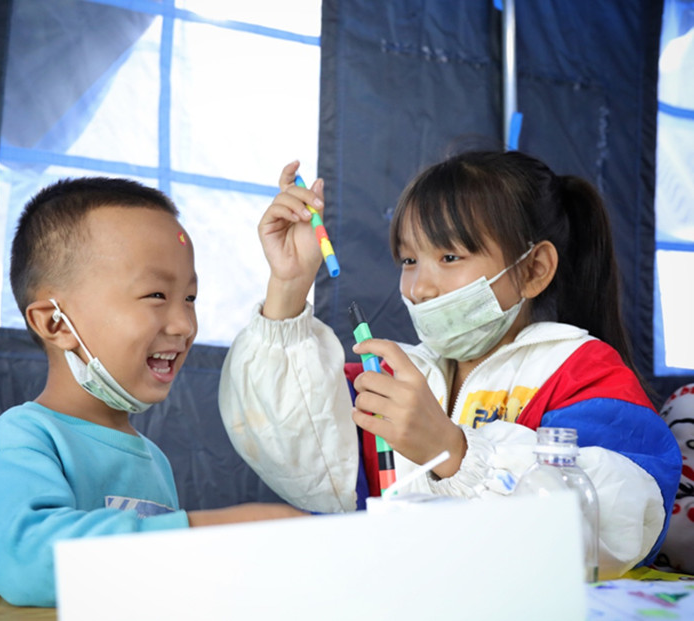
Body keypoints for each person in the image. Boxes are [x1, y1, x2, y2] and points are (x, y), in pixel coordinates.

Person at [219, 151, 682, 580]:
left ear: (534, 268)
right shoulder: (397, 375)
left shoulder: (582, 371)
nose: (420, 288)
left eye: (449, 256)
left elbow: (619, 518)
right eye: (409, 259)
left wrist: (454, 450)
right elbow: (303, 457)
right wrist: (289, 284)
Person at [0, 177, 305, 606]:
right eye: (156, 294)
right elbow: (26, 560)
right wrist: (208, 533)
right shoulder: (21, 438)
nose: (184, 325)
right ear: (55, 323)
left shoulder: (154, 462)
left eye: (190, 298)